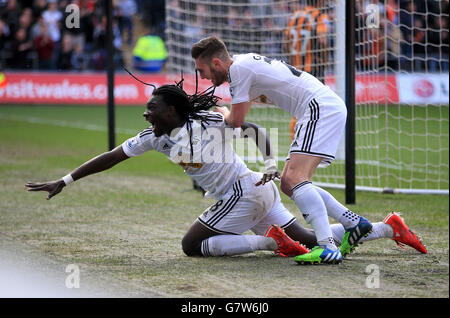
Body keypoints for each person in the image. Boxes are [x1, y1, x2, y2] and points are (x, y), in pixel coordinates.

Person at [25, 77, 427, 260]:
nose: (146, 115)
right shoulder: (155, 138)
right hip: (252, 193)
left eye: (153, 110)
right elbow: (111, 156)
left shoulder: (209, 121)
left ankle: (272, 242)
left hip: (247, 190)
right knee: (306, 238)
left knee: (191, 246)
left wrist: (271, 163)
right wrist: (65, 180)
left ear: (171, 110)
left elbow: (251, 127)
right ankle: (388, 228)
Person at [191, 35, 372, 264]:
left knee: (295, 179)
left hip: (318, 108)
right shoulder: (243, 66)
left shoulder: (238, 70)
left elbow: (235, 121)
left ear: (217, 63)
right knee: (289, 182)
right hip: (320, 107)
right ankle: (354, 222)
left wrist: (223, 112)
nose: (203, 77)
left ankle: (327, 246)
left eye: (202, 70)